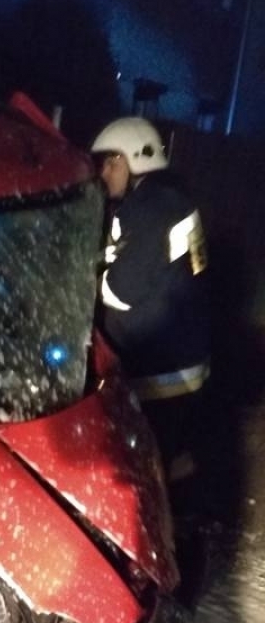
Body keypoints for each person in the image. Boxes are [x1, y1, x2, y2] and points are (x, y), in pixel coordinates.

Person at [90, 117, 211, 512]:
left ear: (135, 159)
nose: (104, 172)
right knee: (171, 452)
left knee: (142, 460)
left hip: (162, 368)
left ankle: (158, 529)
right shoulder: (168, 199)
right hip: (184, 355)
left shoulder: (150, 209)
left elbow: (120, 291)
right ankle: (183, 498)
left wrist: (84, 283)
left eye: (112, 162)